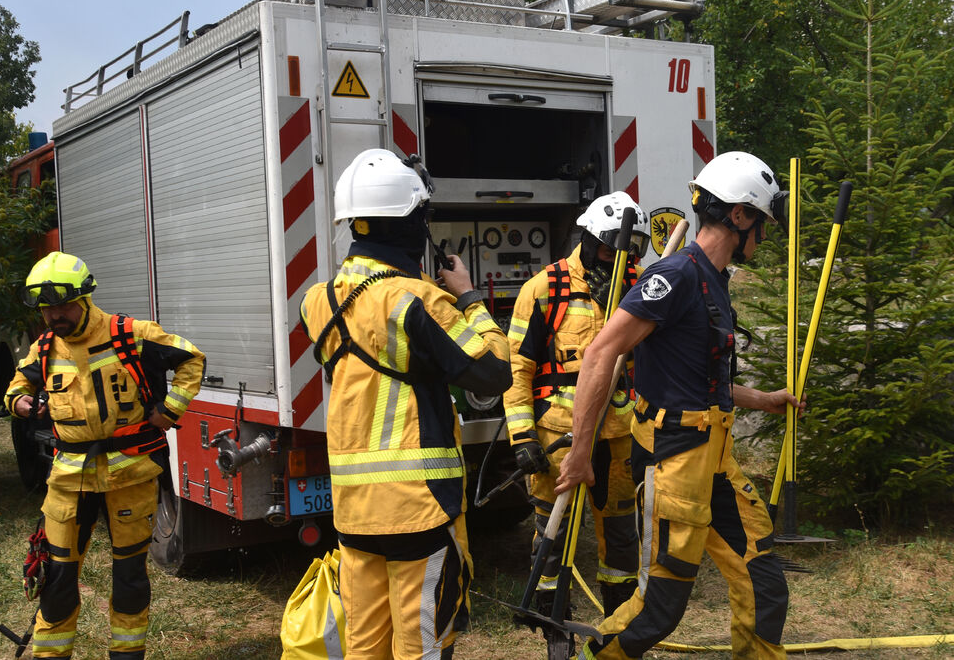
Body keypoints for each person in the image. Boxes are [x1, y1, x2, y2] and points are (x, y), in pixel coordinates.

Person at [556, 152, 800, 660]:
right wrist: (580, 453)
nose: (763, 236)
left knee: (764, 582)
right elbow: (603, 351)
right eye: (762, 224)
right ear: (739, 215)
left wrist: (765, 400)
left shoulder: (714, 281)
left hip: (715, 458)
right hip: (674, 464)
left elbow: (700, 382)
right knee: (657, 611)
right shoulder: (674, 278)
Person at [299, 148, 511, 660]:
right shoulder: (416, 299)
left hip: (353, 511)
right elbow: (493, 370)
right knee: (421, 648)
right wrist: (469, 298)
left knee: (364, 647)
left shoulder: (317, 301)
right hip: (418, 507)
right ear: (414, 223)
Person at [4, 251, 205, 660]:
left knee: (129, 576)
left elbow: (191, 359)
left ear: (85, 299)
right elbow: (16, 387)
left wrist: (169, 411)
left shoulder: (131, 334)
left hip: (130, 476)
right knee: (57, 577)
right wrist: (22, 403)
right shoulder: (43, 348)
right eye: (48, 309)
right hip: (67, 481)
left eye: (63, 305)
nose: (55, 315)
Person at [504, 192, 650, 625]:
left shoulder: (639, 287)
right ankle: (553, 624)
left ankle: (618, 629)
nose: (616, 260)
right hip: (556, 438)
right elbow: (517, 366)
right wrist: (523, 436)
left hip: (620, 436)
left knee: (622, 537)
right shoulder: (545, 288)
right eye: (608, 249)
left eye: (626, 252)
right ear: (587, 239)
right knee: (552, 534)